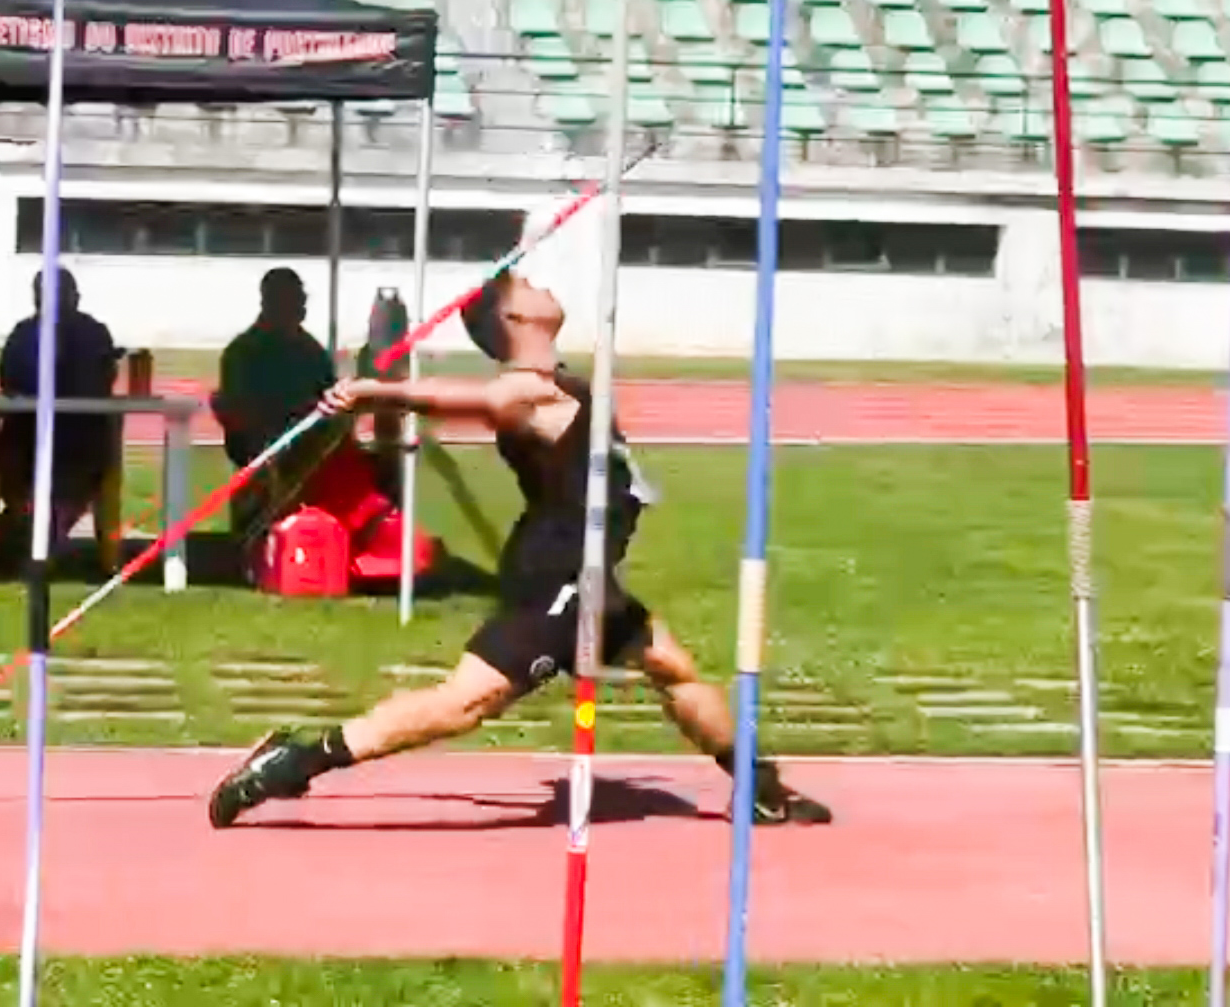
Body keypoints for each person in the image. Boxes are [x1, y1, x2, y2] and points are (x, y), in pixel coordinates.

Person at [207, 200, 833, 829]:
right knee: (465, 703)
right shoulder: (524, 391)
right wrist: (378, 392)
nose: (542, 284)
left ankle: (760, 787)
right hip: (557, 572)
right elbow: (475, 400)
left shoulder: (553, 381)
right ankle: (292, 763)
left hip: (586, 569)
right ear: (513, 316)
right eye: (526, 285)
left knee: (672, 668)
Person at [0, 267, 123, 560]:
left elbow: (7, 382)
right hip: (66, 443)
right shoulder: (94, 333)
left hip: (39, 442)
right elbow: (105, 379)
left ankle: (30, 523)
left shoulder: (24, 333)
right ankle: (40, 524)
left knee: (21, 460)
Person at [211, 267, 337, 470]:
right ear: (273, 301)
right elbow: (239, 417)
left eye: (302, 297)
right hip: (262, 466)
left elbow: (330, 399)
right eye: (296, 297)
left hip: (311, 462)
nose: (303, 303)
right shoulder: (243, 352)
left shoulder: (312, 350)